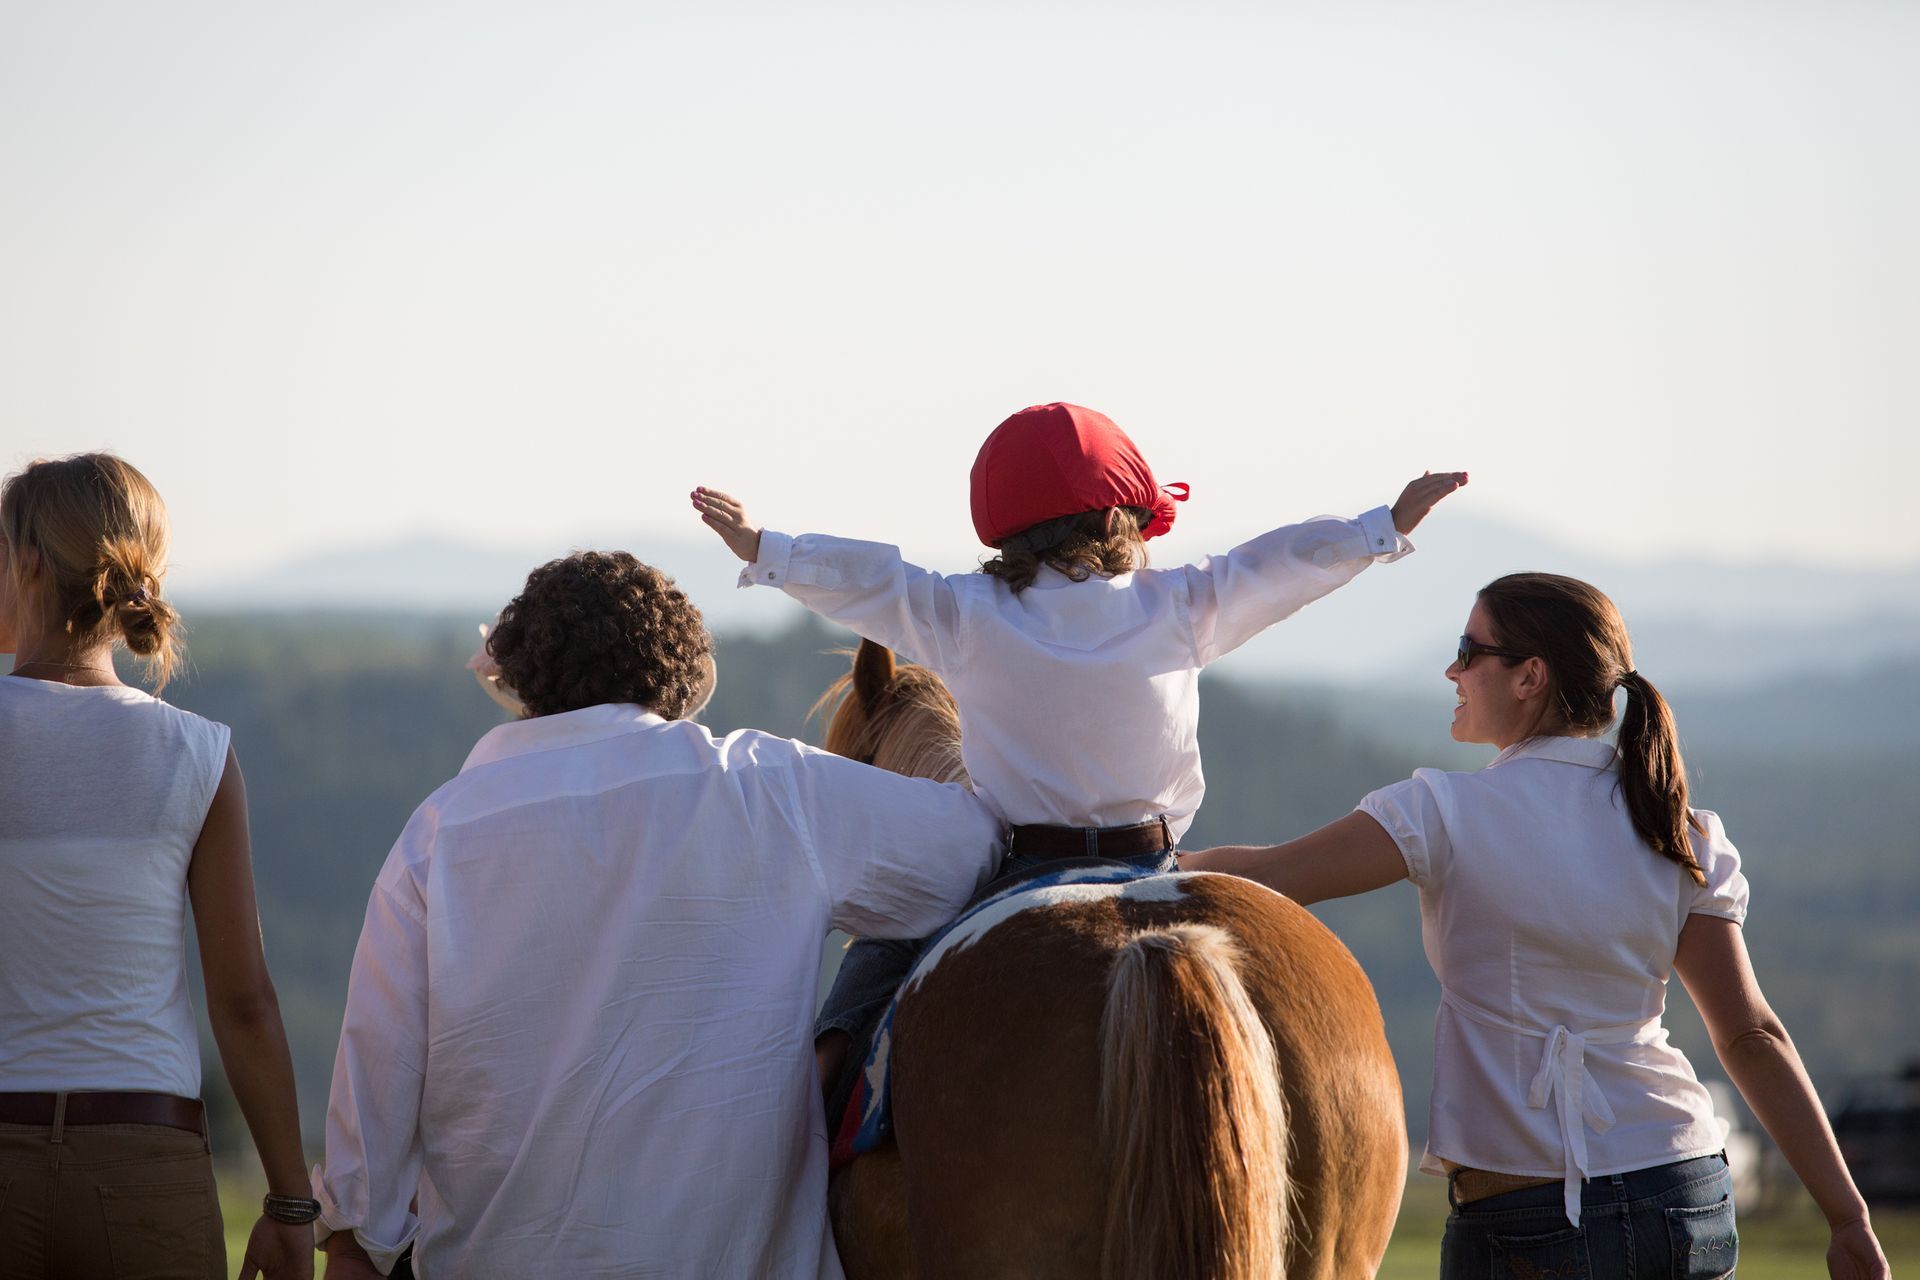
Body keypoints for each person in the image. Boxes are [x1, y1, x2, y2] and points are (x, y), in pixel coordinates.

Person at [693, 400, 1465, 1098]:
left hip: (1018, 868)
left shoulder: (967, 613)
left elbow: (873, 581)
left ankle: (817, 1102)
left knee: (884, 951)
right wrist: (1382, 527)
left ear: (1005, 527)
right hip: (1153, 861)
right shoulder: (1181, 602)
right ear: (1123, 517)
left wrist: (768, 548)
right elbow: (1281, 564)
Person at [312, 551, 1003, 1279]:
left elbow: (374, 1100)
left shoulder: (435, 838)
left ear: (524, 689)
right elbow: (973, 852)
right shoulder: (771, 789)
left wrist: (354, 1232)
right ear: (675, 683)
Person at [1181, 572, 1890, 1279]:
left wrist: (1139, 864)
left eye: (1470, 649)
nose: (1453, 669)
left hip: (1525, 1213)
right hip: (1686, 1188)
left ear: (1531, 677)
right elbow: (1751, 1035)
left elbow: (1270, 876)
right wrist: (1848, 1217)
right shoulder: (1682, 831)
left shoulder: (1442, 812)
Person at [0, 453, 315, 1280]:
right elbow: (244, 1004)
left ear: (29, 564)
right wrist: (289, 1203)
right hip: (146, 1161)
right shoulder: (196, 753)